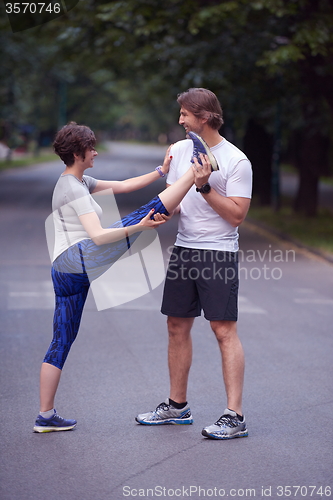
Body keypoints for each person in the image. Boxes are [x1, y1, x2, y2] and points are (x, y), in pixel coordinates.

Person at [33, 121, 203, 433]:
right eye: (91, 148)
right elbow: (98, 236)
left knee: (62, 339)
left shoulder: (75, 181)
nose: (95, 152)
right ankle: (196, 172)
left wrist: (161, 171)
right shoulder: (74, 188)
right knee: (143, 216)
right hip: (78, 259)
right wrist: (142, 229)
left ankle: (45, 416)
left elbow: (124, 185)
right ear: (77, 153)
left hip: (64, 268)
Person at [135, 88, 253, 440]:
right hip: (185, 249)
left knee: (223, 330)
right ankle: (177, 406)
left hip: (218, 253)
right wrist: (158, 216)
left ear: (204, 116)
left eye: (185, 114)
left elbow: (237, 217)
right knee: (175, 326)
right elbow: (175, 204)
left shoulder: (236, 160)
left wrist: (205, 187)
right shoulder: (181, 150)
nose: (180, 120)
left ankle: (235, 416)